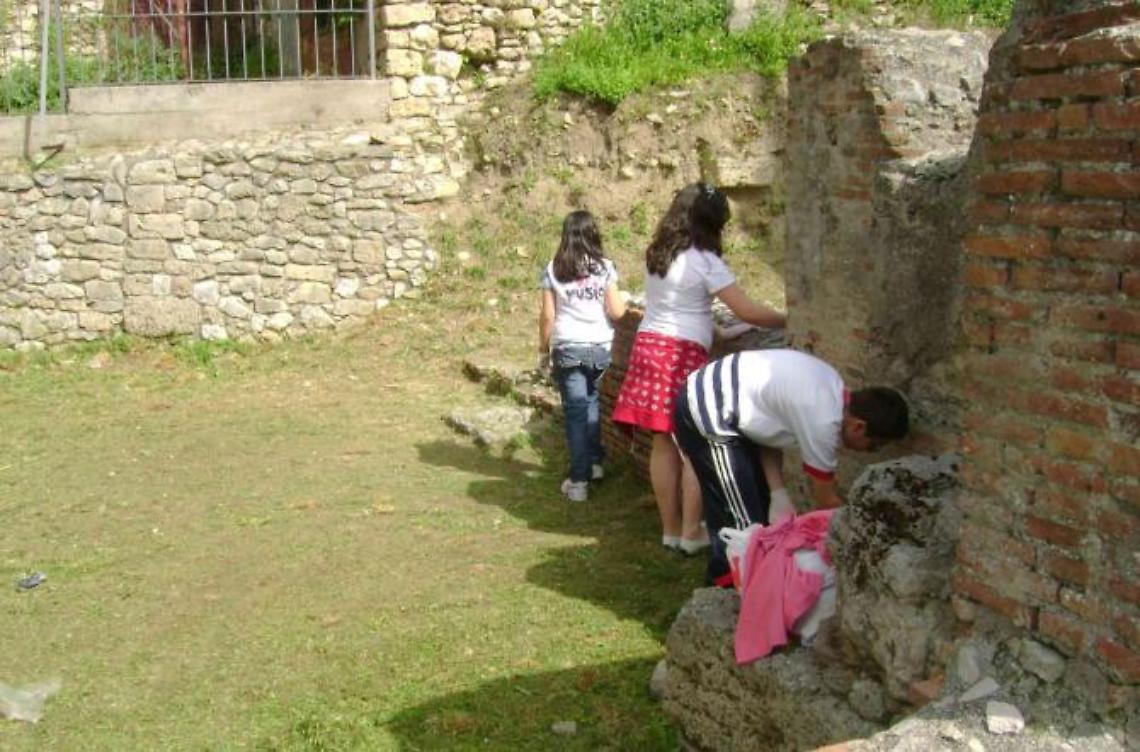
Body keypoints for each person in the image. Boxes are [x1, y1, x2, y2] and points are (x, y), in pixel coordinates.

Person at [611, 183, 786, 553]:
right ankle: (692, 532)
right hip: (680, 354)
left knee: (663, 442)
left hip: (648, 346)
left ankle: (671, 529)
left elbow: (678, 303)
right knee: (695, 442)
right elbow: (747, 310)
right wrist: (790, 318)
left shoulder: (659, 254)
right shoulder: (705, 261)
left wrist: (720, 330)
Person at [672, 348, 910, 585]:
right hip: (708, 407)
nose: (870, 452)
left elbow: (767, 433)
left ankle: (749, 577)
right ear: (858, 426)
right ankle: (726, 586)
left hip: (727, 405)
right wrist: (865, 536)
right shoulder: (824, 422)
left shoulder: (832, 388)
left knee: (757, 507)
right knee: (742, 522)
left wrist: (778, 492)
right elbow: (826, 501)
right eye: (875, 445)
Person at [539, 210, 627, 502]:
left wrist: (542, 349)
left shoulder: (553, 268)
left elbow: (548, 316)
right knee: (591, 404)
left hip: (568, 347)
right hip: (599, 346)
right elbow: (617, 312)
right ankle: (595, 464)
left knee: (576, 413)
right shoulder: (605, 268)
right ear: (593, 233)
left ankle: (578, 481)